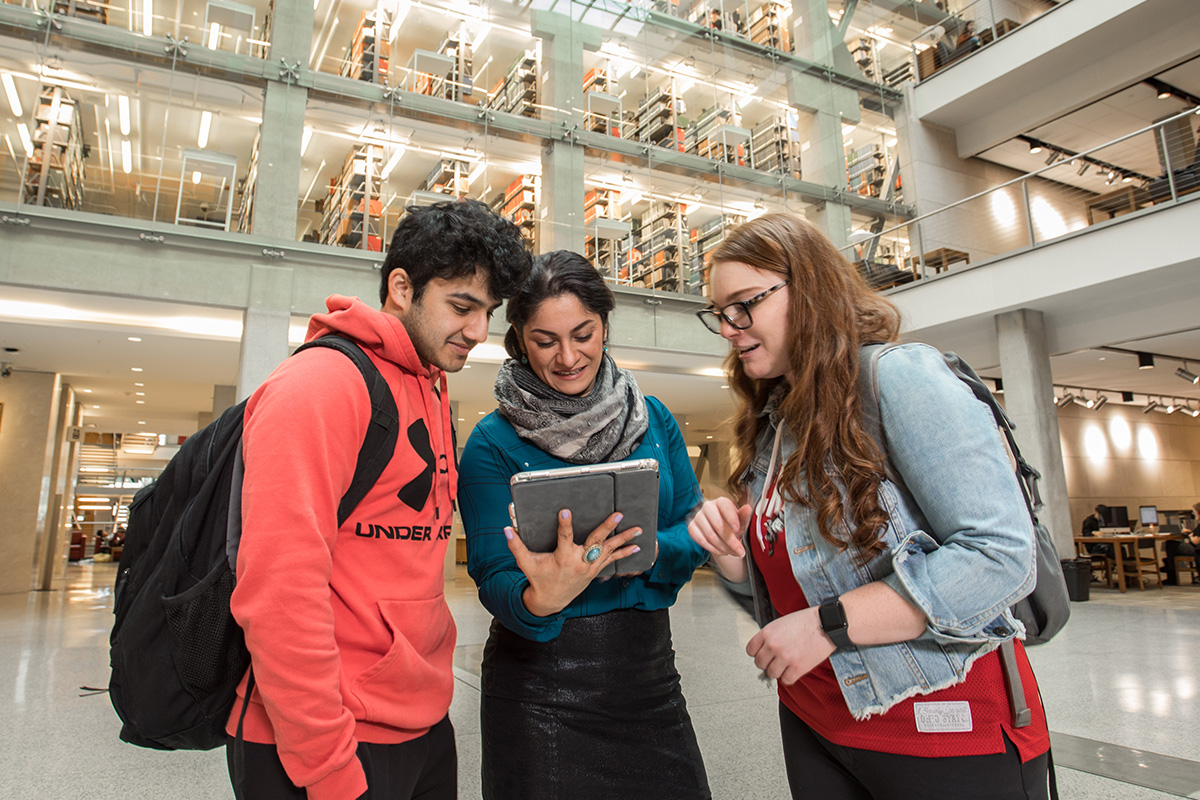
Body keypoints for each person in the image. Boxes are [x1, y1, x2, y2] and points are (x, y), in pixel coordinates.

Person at [687, 213, 1051, 800]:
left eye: (744, 304)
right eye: (719, 312)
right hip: (817, 719)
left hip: (940, 726)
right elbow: (787, 603)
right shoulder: (776, 422)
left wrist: (831, 625)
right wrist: (733, 558)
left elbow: (1001, 555)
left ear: (806, 290)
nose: (729, 327)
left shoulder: (898, 378)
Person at [226, 199, 531, 800]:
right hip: (322, 744)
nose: (477, 331)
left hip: (418, 722)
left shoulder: (431, 382)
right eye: (462, 306)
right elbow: (278, 591)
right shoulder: (320, 386)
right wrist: (328, 770)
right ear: (401, 287)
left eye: (488, 313)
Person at [458, 250, 712, 800]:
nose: (568, 356)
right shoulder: (491, 443)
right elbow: (492, 574)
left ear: (605, 325)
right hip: (538, 693)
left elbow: (693, 534)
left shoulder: (654, 418)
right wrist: (541, 596)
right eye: (545, 341)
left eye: (583, 333)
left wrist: (620, 556)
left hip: (650, 679)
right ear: (519, 339)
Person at [1163, 501, 1200, 585]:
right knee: (1171, 545)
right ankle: (1168, 565)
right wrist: (1190, 532)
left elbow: (1196, 541)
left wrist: (1190, 535)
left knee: (1170, 545)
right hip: (1196, 548)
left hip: (1196, 549)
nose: (1194, 514)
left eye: (1194, 512)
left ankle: (1171, 574)